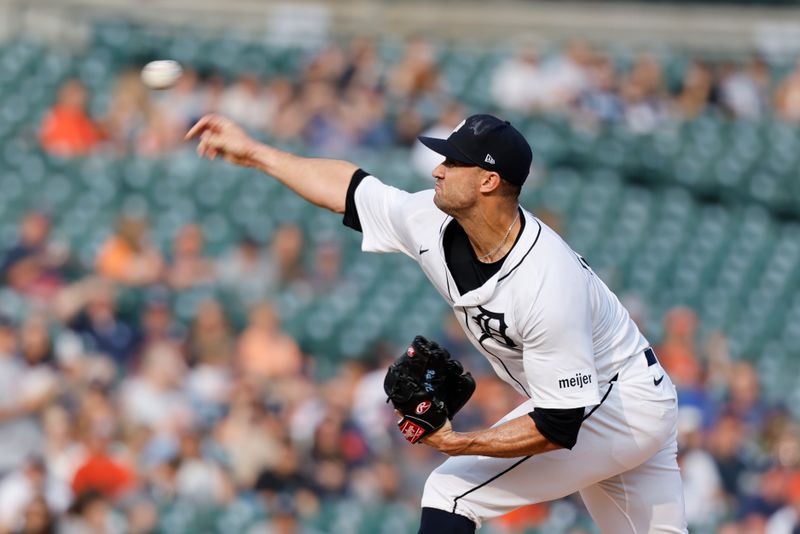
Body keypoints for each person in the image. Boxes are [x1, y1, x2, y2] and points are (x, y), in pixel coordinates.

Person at [186, 112, 686, 533]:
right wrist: (254, 153)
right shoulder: (430, 219)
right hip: (621, 398)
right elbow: (351, 190)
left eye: (453, 161)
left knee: (451, 490)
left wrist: (456, 441)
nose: (438, 170)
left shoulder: (545, 282)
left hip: (617, 401)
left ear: (489, 181)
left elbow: (559, 426)